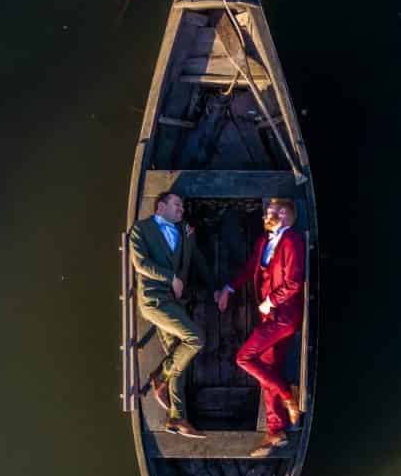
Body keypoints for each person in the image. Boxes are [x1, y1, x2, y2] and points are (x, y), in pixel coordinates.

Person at [216, 196, 306, 455]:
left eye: (275, 210)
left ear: (287, 216)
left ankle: (288, 396)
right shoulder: (264, 241)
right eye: (268, 209)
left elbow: (294, 282)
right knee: (267, 369)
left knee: (243, 357)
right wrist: (229, 288)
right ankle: (275, 431)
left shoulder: (292, 240)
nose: (268, 212)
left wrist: (269, 301)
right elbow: (249, 269)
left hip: (283, 316)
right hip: (270, 317)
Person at [126, 190, 208, 439]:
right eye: (176, 204)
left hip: (174, 303)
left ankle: (177, 417)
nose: (181, 208)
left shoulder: (183, 232)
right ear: (160, 207)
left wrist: (215, 287)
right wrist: (170, 277)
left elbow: (192, 261)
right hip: (154, 302)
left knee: (178, 358)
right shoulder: (142, 229)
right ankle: (160, 376)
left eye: (182, 205)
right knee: (196, 339)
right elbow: (141, 264)